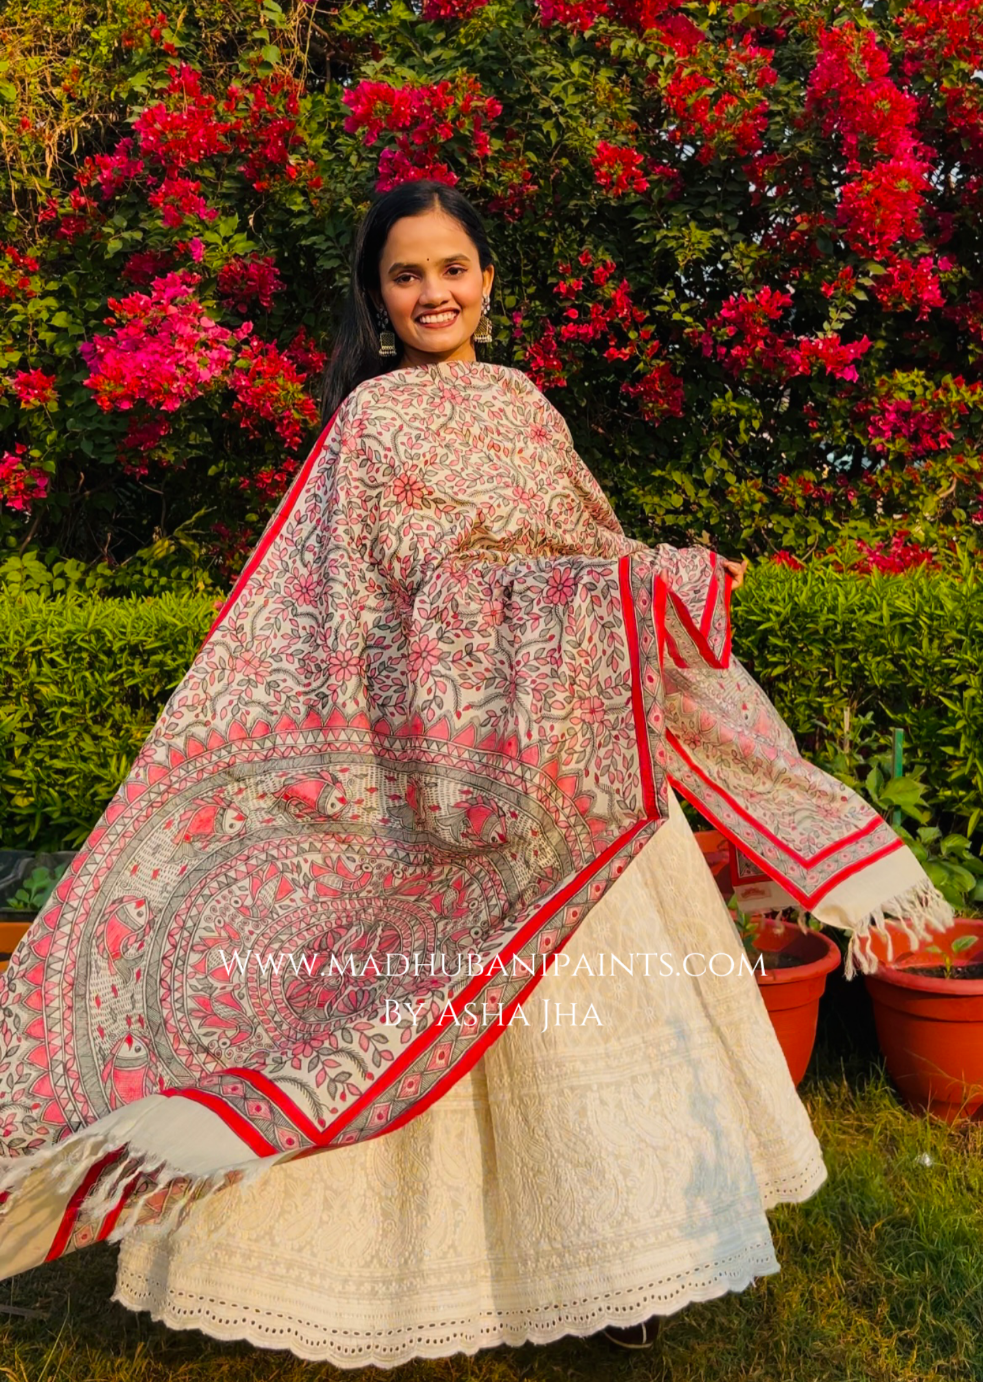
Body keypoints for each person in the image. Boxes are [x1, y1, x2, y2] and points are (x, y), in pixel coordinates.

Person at [0, 181, 953, 1367]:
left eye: (451, 267)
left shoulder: (523, 406)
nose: (431, 292)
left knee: (597, 1025)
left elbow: (579, 542)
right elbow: (414, 591)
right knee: (441, 1003)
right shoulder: (373, 425)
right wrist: (587, 596)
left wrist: (647, 581)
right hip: (448, 767)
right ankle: (377, 1277)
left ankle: (624, 1270)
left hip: (576, 763)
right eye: (405, 276)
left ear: (487, 280)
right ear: (376, 298)